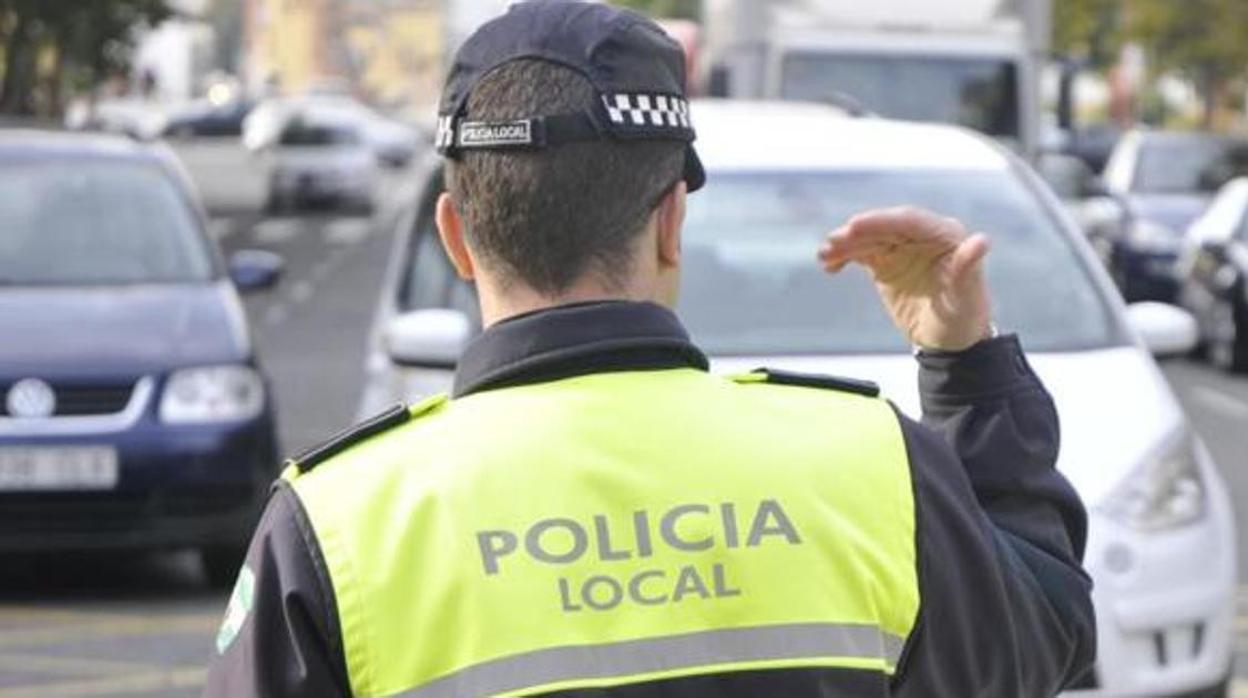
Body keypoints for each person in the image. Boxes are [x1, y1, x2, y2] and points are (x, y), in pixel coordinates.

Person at [203, 2, 1096, 696]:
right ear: (672, 221)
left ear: (456, 236)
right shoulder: (872, 465)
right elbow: (1042, 631)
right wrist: (965, 364)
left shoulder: (337, 527)